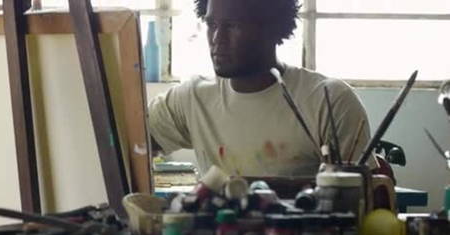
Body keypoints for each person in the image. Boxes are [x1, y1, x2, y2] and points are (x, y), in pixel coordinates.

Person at [149, 0, 377, 177]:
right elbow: (129, 141)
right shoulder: (193, 98)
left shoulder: (329, 101)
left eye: (233, 26)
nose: (218, 38)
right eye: (212, 24)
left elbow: (363, 199)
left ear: (272, 29)